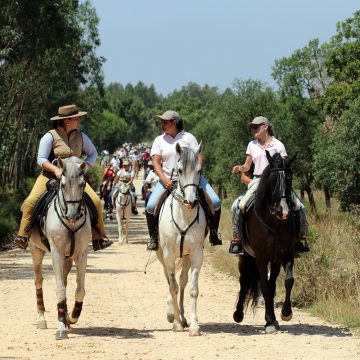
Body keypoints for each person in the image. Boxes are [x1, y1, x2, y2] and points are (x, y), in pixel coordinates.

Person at [13, 104, 113, 251]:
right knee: (29, 202)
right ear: (67, 121)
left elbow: (93, 153)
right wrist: (55, 169)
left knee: (97, 202)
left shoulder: (81, 136)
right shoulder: (49, 136)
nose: (78, 120)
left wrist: (85, 168)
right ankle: (22, 236)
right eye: (76, 118)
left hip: (74, 179)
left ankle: (99, 238)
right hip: (49, 176)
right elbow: (40, 159)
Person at [229, 116, 310, 255]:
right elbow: (247, 166)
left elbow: (284, 167)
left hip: (276, 184)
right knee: (238, 205)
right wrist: (240, 168)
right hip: (258, 181)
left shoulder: (279, 145)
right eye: (252, 127)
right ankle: (237, 240)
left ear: (265, 126)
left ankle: (299, 240)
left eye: (256, 127)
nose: (253, 130)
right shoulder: (252, 145)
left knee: (300, 207)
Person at [146, 110, 222, 251]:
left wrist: (196, 169)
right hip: (168, 180)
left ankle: (213, 233)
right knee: (150, 206)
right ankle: (154, 238)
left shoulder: (189, 138)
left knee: (215, 201)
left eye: (164, 122)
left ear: (174, 122)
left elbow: (199, 156)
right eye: (161, 121)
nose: (161, 124)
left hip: (192, 178)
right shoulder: (159, 140)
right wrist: (164, 179)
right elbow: (156, 163)